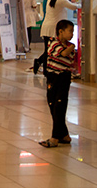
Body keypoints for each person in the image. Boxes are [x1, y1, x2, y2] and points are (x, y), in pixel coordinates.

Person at [39, 20, 76, 148]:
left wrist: (71, 47)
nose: (72, 34)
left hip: (63, 78)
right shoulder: (53, 43)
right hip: (52, 77)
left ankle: (55, 137)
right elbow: (64, 53)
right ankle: (64, 134)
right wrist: (71, 47)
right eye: (70, 31)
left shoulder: (69, 46)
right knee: (52, 104)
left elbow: (70, 57)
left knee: (60, 105)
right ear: (60, 32)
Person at [36, 0, 81, 75]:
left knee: (48, 50)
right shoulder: (61, 0)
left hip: (46, 27)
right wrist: (81, 4)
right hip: (54, 28)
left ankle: (45, 69)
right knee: (54, 50)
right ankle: (50, 69)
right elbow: (73, 7)